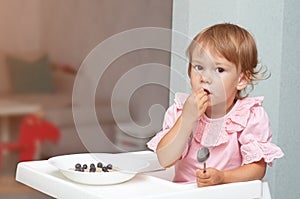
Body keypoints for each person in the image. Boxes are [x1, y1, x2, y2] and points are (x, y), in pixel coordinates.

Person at [147, 23, 284, 187]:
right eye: (199, 67)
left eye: (219, 70)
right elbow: (165, 159)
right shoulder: (180, 110)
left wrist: (223, 177)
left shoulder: (250, 116)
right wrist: (186, 119)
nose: (205, 78)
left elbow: (257, 170)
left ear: (241, 79)